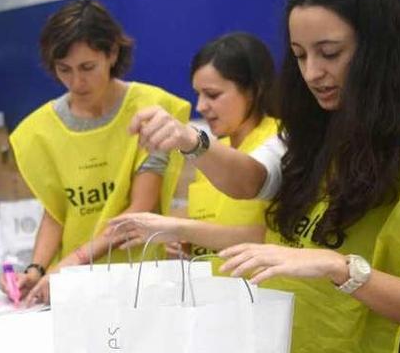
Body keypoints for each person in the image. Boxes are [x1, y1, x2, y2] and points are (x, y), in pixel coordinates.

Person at [133, 0, 400, 353]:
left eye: (330, 53)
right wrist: (193, 141)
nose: (313, 73)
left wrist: (339, 268)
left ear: (381, 48)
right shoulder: (312, 127)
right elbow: (253, 179)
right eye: (299, 55)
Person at [9, 0, 192, 305]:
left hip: (137, 278)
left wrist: (71, 263)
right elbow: (57, 212)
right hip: (72, 285)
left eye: (87, 67)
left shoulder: (150, 109)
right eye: (64, 69)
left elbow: (140, 209)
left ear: (112, 53)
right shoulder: (40, 129)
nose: (76, 81)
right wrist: (36, 269)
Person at [109, 33, 277, 269]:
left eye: (213, 95)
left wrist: (181, 229)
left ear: (253, 89)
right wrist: (186, 240)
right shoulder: (215, 151)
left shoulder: (279, 140)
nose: (201, 106)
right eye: (198, 94)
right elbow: (215, 225)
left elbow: (275, 238)